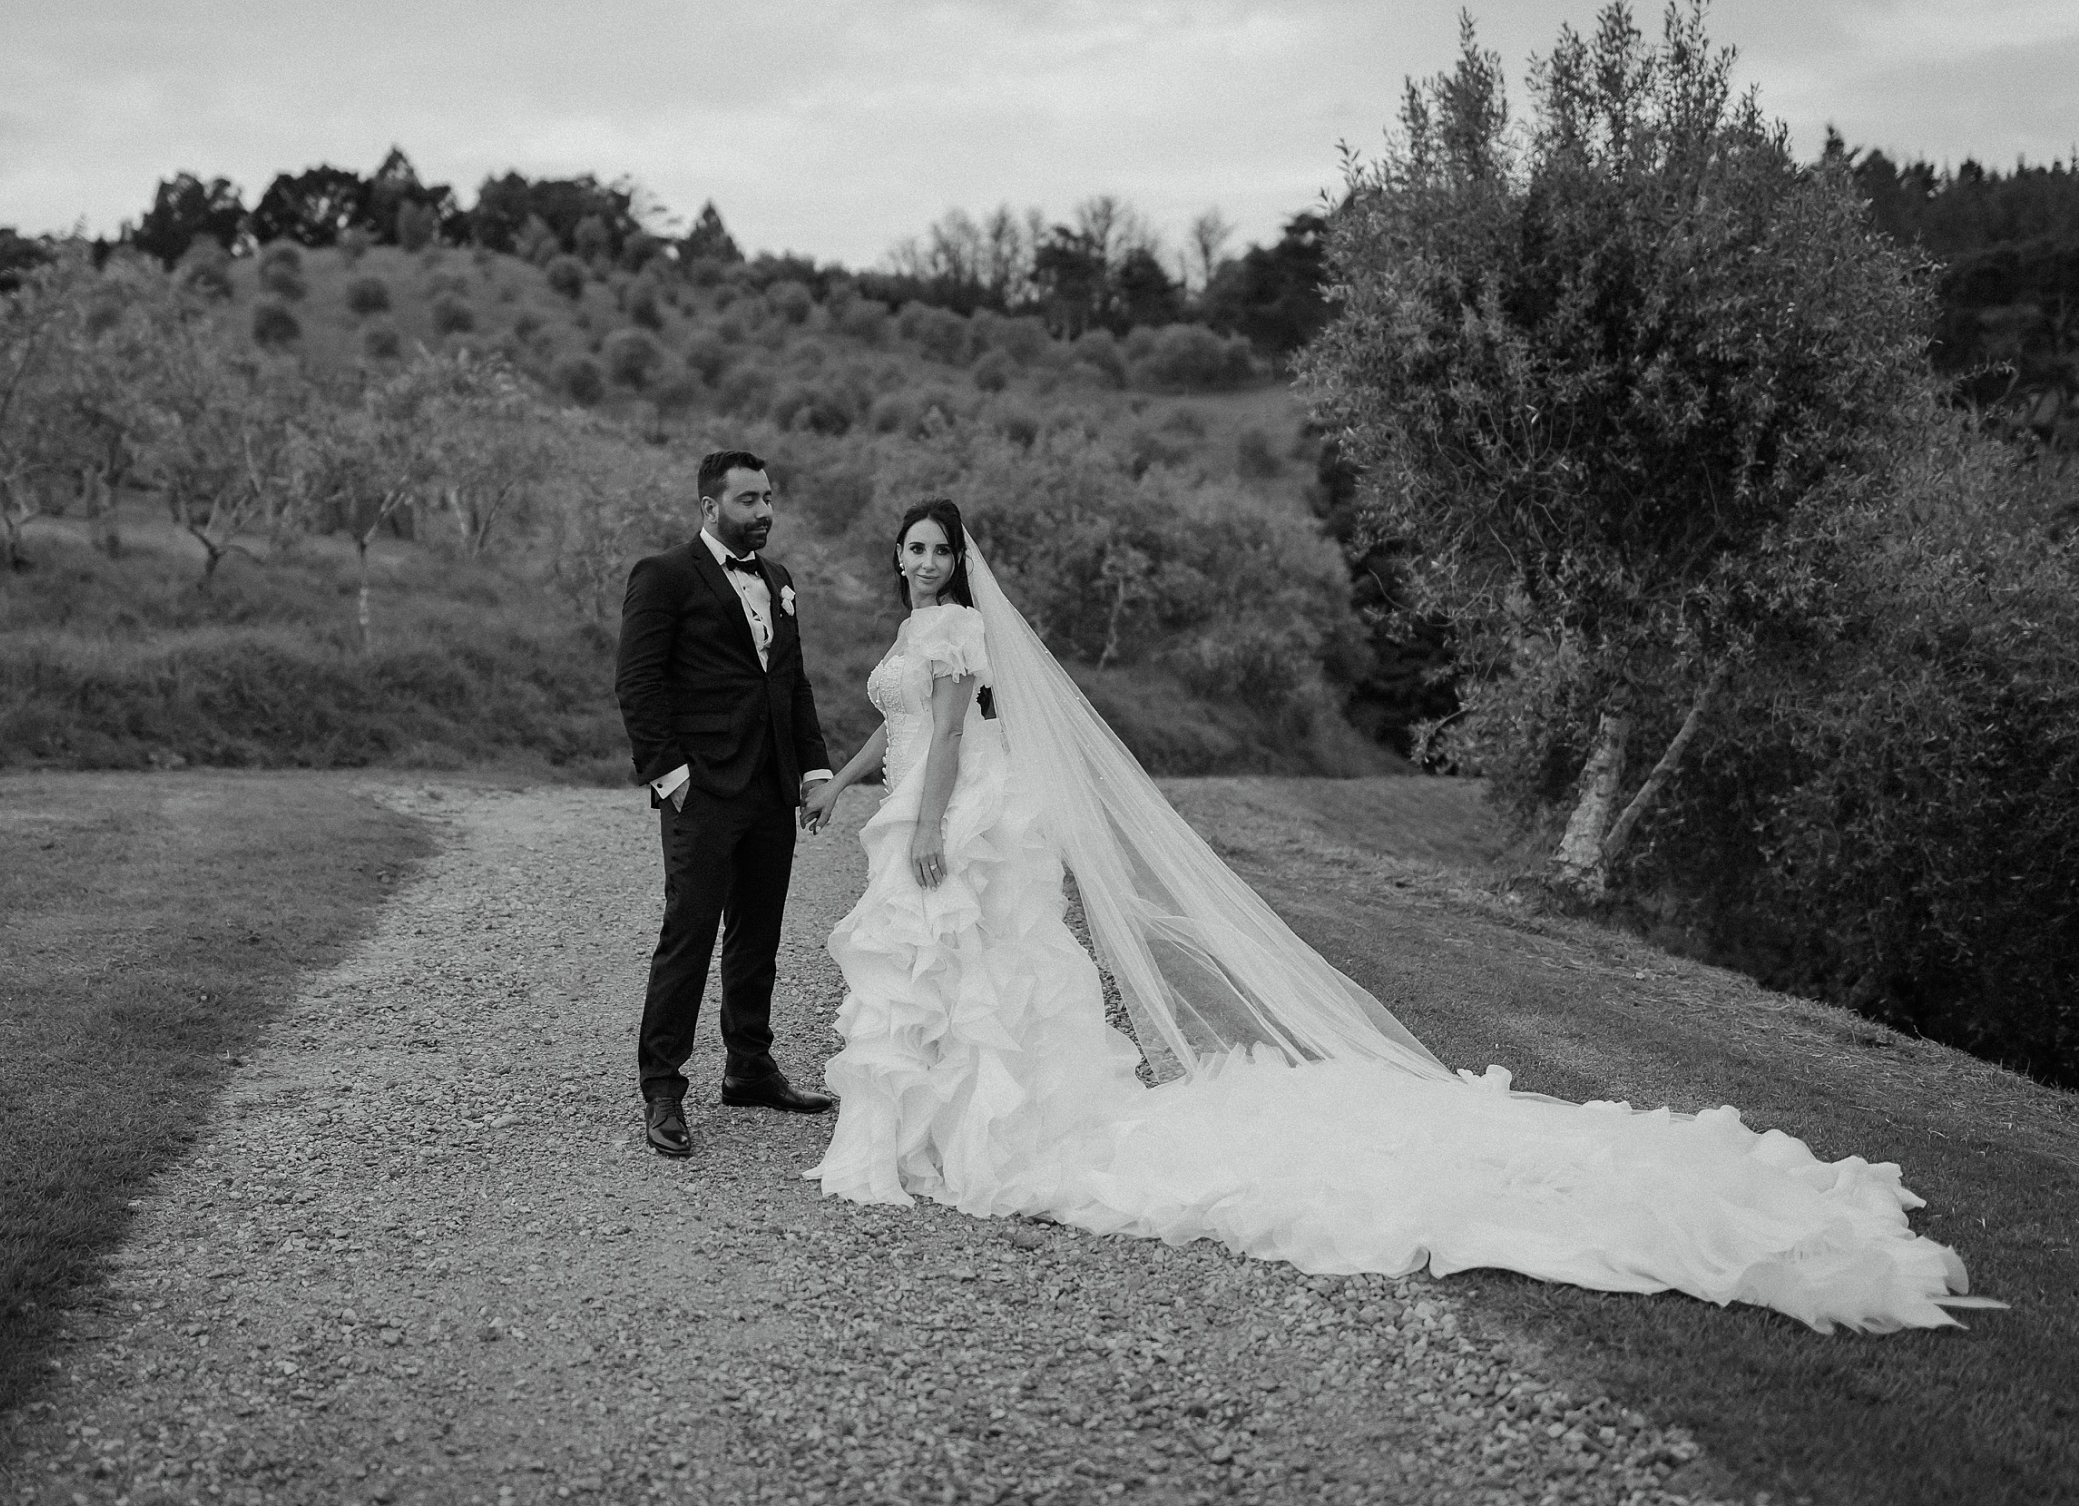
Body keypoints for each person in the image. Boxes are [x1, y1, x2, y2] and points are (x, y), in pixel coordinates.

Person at [798, 497, 1996, 1334]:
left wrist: (930, 831)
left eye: (934, 550)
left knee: (965, 966)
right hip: (925, 801)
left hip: (960, 814)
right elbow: (896, 729)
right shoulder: (916, 632)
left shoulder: (955, 633)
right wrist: (846, 785)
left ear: (959, 562)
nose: (919, 563)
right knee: (953, 977)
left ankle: (959, 1140)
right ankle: (930, 1137)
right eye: (908, 549)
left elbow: (949, 738)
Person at [614, 450, 837, 1159]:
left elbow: (791, 683)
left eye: (769, 498)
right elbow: (638, 682)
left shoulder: (780, 579)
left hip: (772, 786)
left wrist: (812, 769)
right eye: (748, 500)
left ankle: (749, 1066)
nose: (764, 512)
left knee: (757, 934)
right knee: (689, 935)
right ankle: (663, 1087)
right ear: (710, 507)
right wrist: (671, 777)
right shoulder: (664, 575)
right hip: (703, 787)